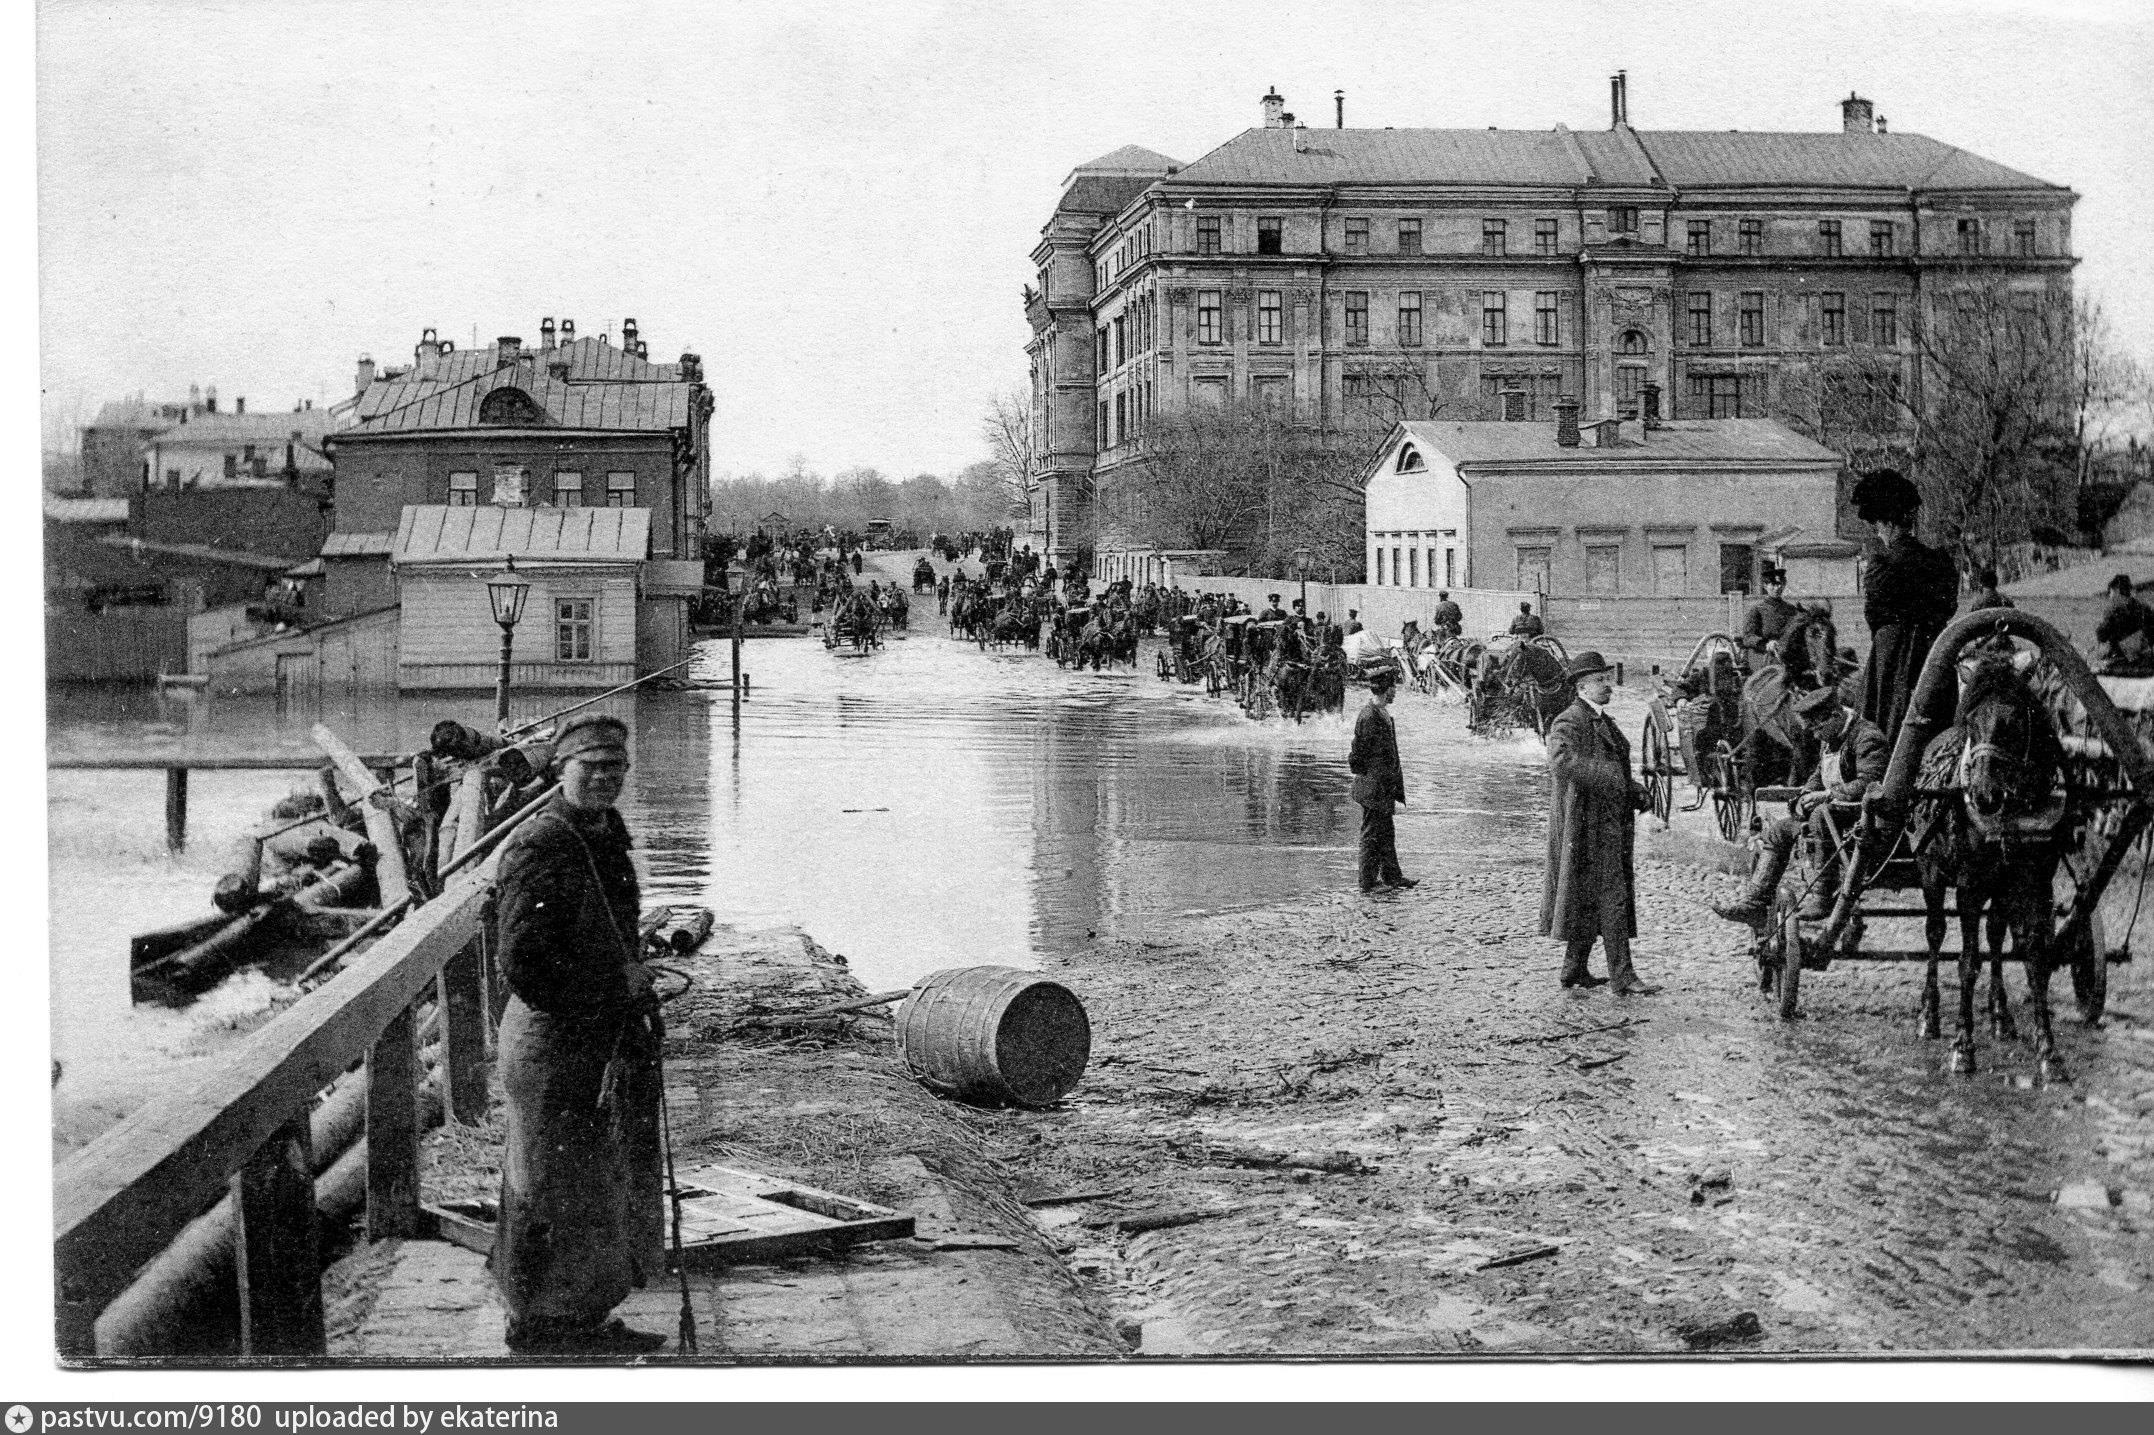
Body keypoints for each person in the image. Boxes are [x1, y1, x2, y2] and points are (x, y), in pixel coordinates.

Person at [491, 715, 666, 1354]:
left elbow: (606, 930)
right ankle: (540, 1325)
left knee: (585, 1178)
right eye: (587, 768)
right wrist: (611, 988)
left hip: (588, 1032)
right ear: (560, 772)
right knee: (547, 1178)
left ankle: (576, 1317)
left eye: (613, 768)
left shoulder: (600, 835)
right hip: (550, 1034)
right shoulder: (541, 846)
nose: (601, 779)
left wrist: (629, 978)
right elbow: (523, 963)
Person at [1712, 686, 1890, 926]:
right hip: (1832, 813)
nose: (1816, 736)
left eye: (1818, 729)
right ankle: (1754, 903)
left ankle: (1822, 896)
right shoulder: (1830, 738)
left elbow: (1870, 782)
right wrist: (1805, 796)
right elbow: (1818, 775)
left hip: (1861, 815)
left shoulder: (1866, 737)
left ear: (1836, 716)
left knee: (1819, 814)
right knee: (1777, 831)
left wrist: (1826, 796)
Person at [1540, 652, 1656, 993]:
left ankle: (1573, 969)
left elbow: (1613, 767)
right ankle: (1623, 976)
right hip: (1586, 825)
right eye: (1600, 680)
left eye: (1607, 679)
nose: (1608, 685)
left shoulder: (1601, 720)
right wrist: (1613, 779)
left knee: (1588, 896)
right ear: (1581, 686)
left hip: (1604, 822)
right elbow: (1561, 762)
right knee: (1612, 897)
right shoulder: (1569, 721)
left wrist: (1632, 788)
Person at [1853, 469, 1958, 752]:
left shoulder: (1882, 566)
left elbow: (1873, 617)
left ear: (1887, 523)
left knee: (1884, 726)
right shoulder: (1939, 562)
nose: (1878, 532)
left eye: (1877, 525)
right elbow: (1948, 607)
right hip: (1933, 652)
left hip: (1892, 655)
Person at [1348, 667, 1416, 893]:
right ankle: (1367, 884)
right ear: (1385, 690)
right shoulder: (1370, 716)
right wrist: (1370, 778)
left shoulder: (1381, 713)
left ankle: (1392, 877)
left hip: (1381, 786)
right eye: (1393, 688)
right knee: (1371, 834)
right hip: (1373, 786)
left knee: (1386, 832)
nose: (1395, 692)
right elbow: (1358, 753)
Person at [1740, 566, 1801, 674]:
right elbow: (1748, 637)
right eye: (1773, 584)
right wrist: (1766, 644)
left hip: (1787, 656)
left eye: (1779, 584)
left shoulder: (1791, 610)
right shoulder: (1757, 610)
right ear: (1765, 586)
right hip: (1763, 655)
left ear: (1784, 584)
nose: (1777, 588)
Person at [2094, 574, 2154, 672]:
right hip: (2146, 660)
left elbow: (2101, 636)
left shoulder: (2114, 612)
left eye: (2110, 593)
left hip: (2126, 663)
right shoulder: (2143, 608)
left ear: (2116, 590)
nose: (2110, 597)